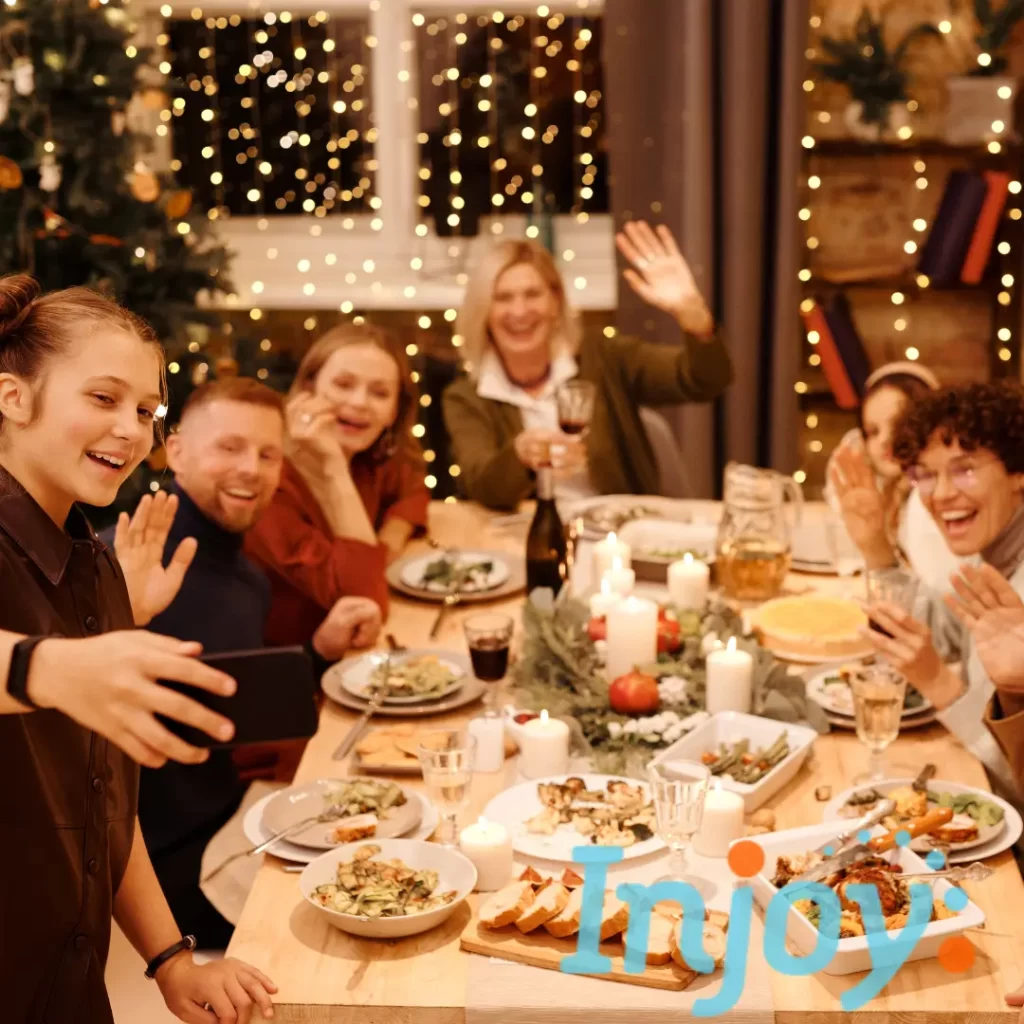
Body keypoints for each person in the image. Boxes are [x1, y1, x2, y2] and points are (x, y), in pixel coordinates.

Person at [0, 275, 275, 1023]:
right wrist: (43, 665)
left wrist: (169, 959)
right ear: (13, 398)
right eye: (103, 398)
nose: (132, 428)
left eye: (147, 410)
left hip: (65, 976)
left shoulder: (93, 562)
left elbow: (103, 802)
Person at [104, 377, 382, 950]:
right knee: (364, 914)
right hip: (160, 867)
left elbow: (229, 692)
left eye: (267, 454)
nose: (251, 469)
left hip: (237, 815)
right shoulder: (124, 562)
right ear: (174, 450)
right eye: (228, 448)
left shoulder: (245, 573)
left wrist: (318, 650)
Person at [441, 221, 733, 510]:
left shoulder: (606, 356)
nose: (519, 311)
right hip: (529, 538)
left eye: (533, 294)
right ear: (484, 311)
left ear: (556, 301)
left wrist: (694, 316)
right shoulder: (466, 397)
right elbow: (482, 488)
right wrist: (520, 456)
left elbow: (705, 381)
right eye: (503, 298)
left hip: (619, 536)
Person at [862, 381, 1024, 810]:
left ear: (1017, 470)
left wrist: (939, 682)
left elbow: (1011, 782)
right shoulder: (992, 555)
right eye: (926, 475)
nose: (941, 494)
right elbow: (948, 630)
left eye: (964, 468)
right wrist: (875, 546)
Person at [246, 323, 426, 645]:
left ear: (394, 411)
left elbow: (412, 487)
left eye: (380, 393)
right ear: (308, 389)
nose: (359, 402)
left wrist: (390, 539)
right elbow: (364, 603)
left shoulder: (366, 455)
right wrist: (334, 469)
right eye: (344, 384)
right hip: (298, 667)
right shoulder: (267, 482)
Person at [826, 362, 962, 592]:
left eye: (898, 423)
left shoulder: (933, 500)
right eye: (873, 431)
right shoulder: (887, 496)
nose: (885, 440)